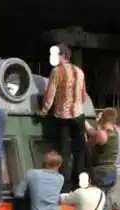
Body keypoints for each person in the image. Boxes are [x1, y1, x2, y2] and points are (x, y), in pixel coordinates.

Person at [39, 44, 88, 192]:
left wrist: (43, 111)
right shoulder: (79, 71)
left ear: (64, 56)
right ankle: (78, 184)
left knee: (64, 152)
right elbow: (84, 96)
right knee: (79, 152)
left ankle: (65, 186)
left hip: (62, 116)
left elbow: (50, 95)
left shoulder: (56, 71)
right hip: (78, 115)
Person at [86, 108, 119, 210]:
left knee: (99, 204)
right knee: (104, 204)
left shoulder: (103, 134)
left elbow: (90, 142)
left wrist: (85, 125)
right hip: (111, 172)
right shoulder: (115, 133)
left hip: (101, 172)